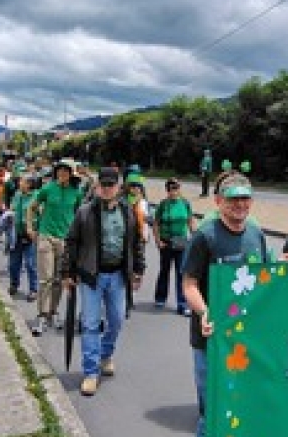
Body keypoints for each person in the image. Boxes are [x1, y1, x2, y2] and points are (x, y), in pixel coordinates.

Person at [181, 172, 267, 437]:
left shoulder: (256, 234)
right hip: (211, 343)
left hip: (244, 345)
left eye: (245, 198)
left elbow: (264, 280)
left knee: (236, 416)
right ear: (218, 202)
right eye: (232, 199)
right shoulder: (205, 236)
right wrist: (204, 312)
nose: (240, 205)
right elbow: (188, 284)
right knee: (212, 417)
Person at [62, 167, 145, 396]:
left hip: (118, 275)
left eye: (111, 185)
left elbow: (135, 242)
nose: (107, 189)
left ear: (118, 187)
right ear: (98, 186)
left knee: (116, 320)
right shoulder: (85, 212)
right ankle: (90, 372)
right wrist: (67, 272)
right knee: (90, 323)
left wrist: (138, 269)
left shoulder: (127, 212)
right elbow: (71, 242)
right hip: (92, 276)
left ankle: (105, 354)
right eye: (103, 185)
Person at [26, 158, 83, 336]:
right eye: (60, 170)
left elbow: (80, 215)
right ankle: (42, 315)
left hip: (65, 239)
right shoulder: (48, 188)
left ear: (71, 173)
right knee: (46, 278)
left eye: (66, 170)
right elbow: (32, 207)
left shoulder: (76, 192)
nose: (62, 173)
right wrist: (30, 227)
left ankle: (53, 311)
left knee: (59, 279)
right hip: (46, 236)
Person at [152, 177, 196, 316]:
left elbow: (190, 221)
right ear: (167, 190)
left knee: (181, 273)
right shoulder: (163, 205)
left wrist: (194, 237)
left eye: (176, 188)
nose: (173, 191)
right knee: (164, 270)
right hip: (166, 240)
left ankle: (182, 303)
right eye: (171, 189)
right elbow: (156, 224)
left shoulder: (185, 203)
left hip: (181, 241)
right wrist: (158, 241)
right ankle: (160, 297)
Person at [8, 173, 39, 302]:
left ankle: (33, 290)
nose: (19, 183)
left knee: (31, 264)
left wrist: (35, 229)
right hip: (17, 233)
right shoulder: (17, 195)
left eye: (22, 181)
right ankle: (14, 284)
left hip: (31, 235)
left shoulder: (37, 196)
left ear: (29, 184)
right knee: (14, 263)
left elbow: (41, 213)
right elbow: (12, 208)